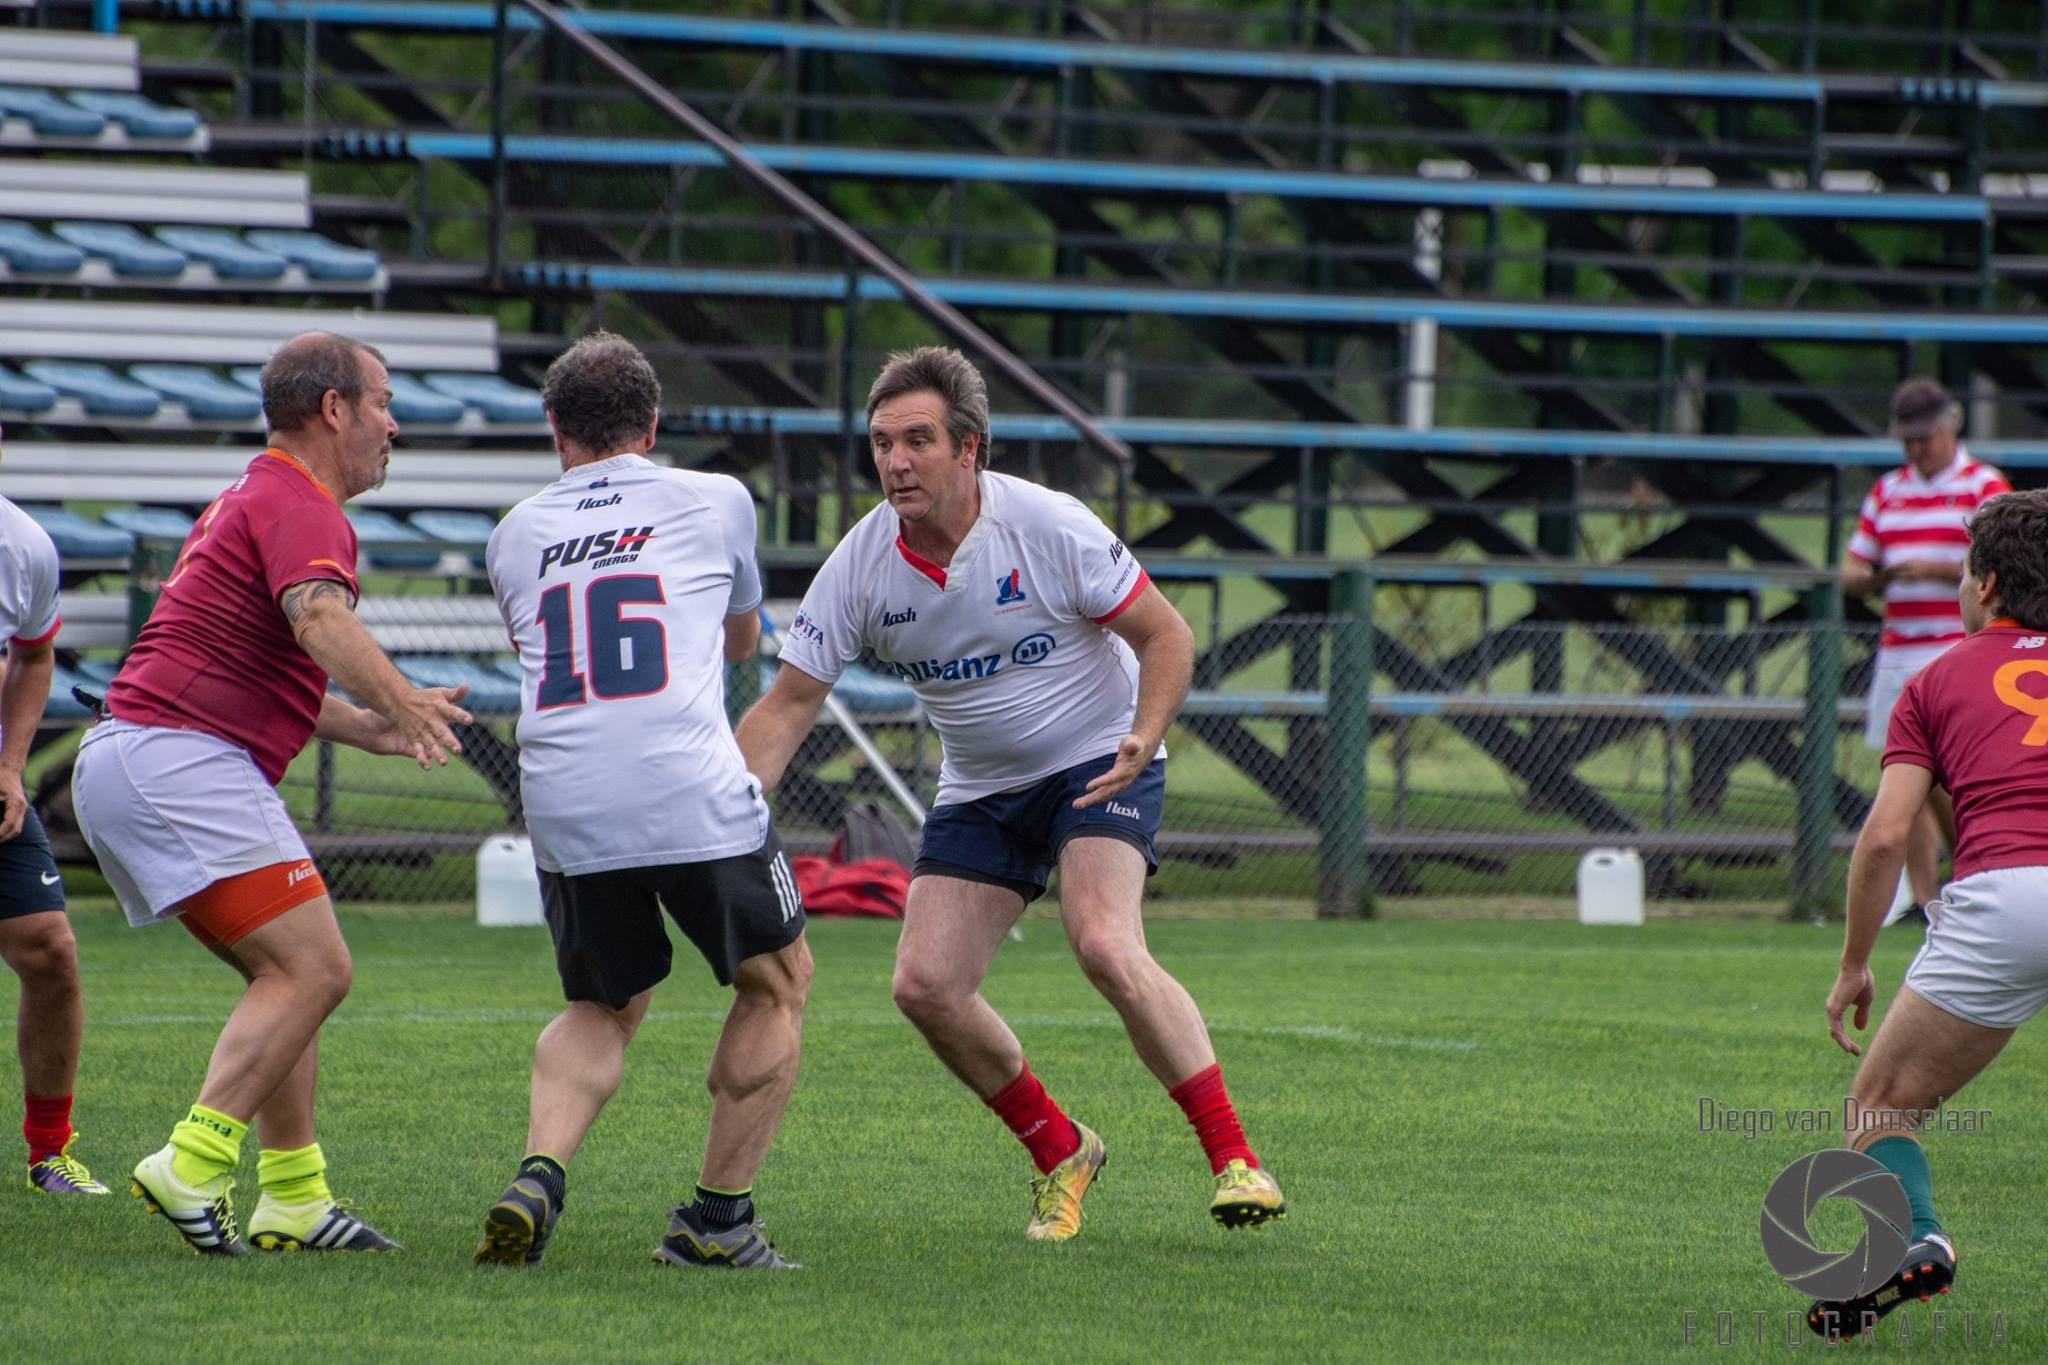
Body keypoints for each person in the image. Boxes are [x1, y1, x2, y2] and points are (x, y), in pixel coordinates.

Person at [736, 345, 1284, 1242]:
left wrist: (1144, 734)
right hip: (983, 787)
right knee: (924, 985)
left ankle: (1234, 1158)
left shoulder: (1047, 524)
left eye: (917, 440)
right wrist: (721, 800)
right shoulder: (863, 564)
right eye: (881, 443)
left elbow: (1168, 636)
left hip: (1097, 761)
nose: (896, 462)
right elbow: (790, 703)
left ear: (970, 448)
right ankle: (1061, 1151)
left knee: (1104, 941)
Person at [70, 332, 472, 1255]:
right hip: (179, 759)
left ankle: (294, 1196)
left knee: (289, 973)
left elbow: (252, 659)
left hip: (150, 755)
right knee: (315, 968)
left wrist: (367, 723)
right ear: (333, 409)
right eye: (381, 402)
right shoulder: (304, 502)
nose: (392, 424)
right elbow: (317, 617)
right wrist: (402, 700)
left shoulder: (252, 493)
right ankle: (193, 1162)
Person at [473, 332, 810, 1272]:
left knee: (604, 1001)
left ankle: (540, 1171)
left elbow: (538, 645)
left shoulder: (514, 532)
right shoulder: (718, 498)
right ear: (654, 423)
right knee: (777, 981)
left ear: (555, 430)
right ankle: (718, 1221)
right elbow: (742, 643)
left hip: (564, 795)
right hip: (686, 782)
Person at [1815, 488, 2048, 1340]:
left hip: (2005, 900)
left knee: (1879, 1107)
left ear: (1985, 586)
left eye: (1960, 570)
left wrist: (1854, 962)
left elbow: (1884, 839)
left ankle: (1921, 1238)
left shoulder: (1937, 678)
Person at [1841, 378, 2010, 926]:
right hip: (1898, 647)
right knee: (1903, 774)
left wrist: (1936, 570)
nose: (1915, 450)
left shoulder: (1982, 484)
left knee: (1945, 774)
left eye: (1924, 438)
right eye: (1907, 440)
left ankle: (1974, 872)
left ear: (1949, 426)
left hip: (1955, 644)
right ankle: (1924, 897)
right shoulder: (1887, 491)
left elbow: (2004, 563)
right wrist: (1878, 577)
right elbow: (1851, 568)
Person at [0, 493, 105, 1196]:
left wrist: (10, 767)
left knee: (50, 947)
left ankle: (50, 1151)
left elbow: (35, 657)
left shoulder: (24, 543)